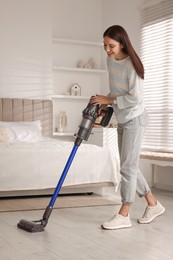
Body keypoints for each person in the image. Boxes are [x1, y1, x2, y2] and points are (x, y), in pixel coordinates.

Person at [90, 25, 165, 230]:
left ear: (122, 43)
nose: (107, 50)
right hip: (123, 118)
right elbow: (116, 91)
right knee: (128, 165)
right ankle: (153, 204)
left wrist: (109, 99)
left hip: (136, 118)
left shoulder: (132, 65)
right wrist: (105, 102)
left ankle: (124, 212)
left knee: (128, 167)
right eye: (104, 45)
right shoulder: (110, 60)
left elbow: (134, 99)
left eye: (111, 46)